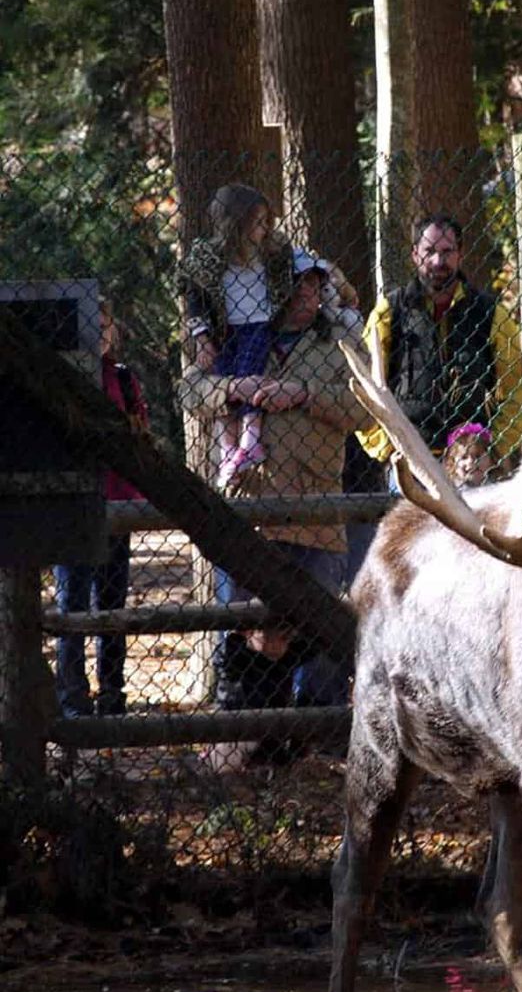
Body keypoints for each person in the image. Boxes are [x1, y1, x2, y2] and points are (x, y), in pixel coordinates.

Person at [181, 250, 367, 713]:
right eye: (297, 284)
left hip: (317, 511)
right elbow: (188, 390)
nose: (308, 293)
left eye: (314, 285)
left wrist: (304, 395)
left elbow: (364, 410)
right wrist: (229, 389)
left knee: (320, 637)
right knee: (244, 635)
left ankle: (317, 733)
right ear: (274, 290)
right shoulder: (236, 334)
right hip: (250, 510)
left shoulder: (339, 339)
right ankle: (243, 729)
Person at [357, 213, 522, 475]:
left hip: (471, 464)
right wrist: (386, 447)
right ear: (415, 254)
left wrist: (494, 450)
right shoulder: (390, 311)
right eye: (429, 251)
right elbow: (364, 385)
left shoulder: (490, 313)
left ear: (460, 254)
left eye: (447, 252)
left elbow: (518, 388)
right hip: (410, 461)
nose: (438, 261)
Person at [54, 297, 149, 718]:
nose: (102, 333)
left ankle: (113, 693)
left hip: (116, 505)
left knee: (111, 606)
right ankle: (71, 696)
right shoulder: (63, 373)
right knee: (71, 605)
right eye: (95, 324)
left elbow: (139, 434)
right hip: (74, 505)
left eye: (108, 325)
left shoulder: (124, 379)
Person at [179, 184, 295, 489]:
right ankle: (229, 450)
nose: (265, 229)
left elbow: (305, 266)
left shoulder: (272, 254)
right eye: (257, 223)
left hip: (259, 325)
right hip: (225, 330)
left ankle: (251, 441)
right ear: (237, 225)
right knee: (224, 382)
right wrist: (202, 338)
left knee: (249, 376)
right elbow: (194, 301)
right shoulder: (208, 260)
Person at [442, 422, 496, 488]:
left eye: (478, 456)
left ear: (491, 459)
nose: (470, 461)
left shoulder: (499, 484)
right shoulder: (450, 489)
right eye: (463, 457)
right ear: (452, 463)